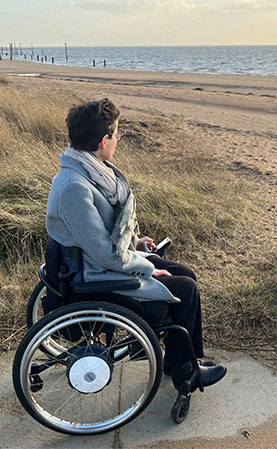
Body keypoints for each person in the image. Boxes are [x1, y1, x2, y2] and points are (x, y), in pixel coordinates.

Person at [45, 98, 226, 392]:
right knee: (184, 288)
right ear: (104, 140)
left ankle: (181, 360)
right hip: (95, 274)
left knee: (185, 273)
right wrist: (146, 269)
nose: (118, 139)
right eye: (117, 134)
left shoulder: (92, 170)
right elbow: (103, 253)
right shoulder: (74, 187)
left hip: (101, 260)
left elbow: (102, 233)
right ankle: (184, 371)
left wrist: (135, 242)